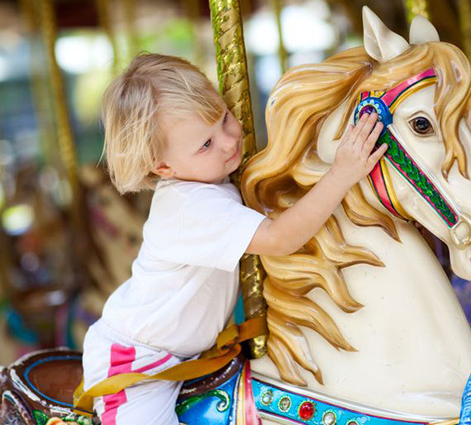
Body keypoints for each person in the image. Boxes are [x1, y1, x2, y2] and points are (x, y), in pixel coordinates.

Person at [81, 53, 387, 424]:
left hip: (189, 354)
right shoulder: (189, 207)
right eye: (205, 145)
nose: (228, 141)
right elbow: (278, 238)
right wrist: (342, 174)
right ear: (163, 167)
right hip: (136, 365)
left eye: (224, 117)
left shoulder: (210, 180)